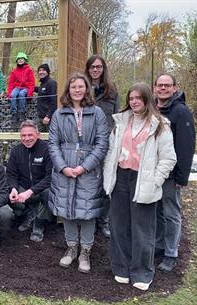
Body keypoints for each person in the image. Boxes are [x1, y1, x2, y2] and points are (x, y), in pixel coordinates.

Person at [103, 82, 176, 291]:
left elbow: (168, 158)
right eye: (131, 98)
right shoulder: (121, 122)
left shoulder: (160, 125)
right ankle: (121, 267)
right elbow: (111, 151)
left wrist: (155, 180)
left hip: (143, 179)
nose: (134, 102)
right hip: (121, 177)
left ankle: (142, 272)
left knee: (142, 228)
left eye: (138, 98)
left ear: (146, 99)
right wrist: (109, 174)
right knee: (119, 225)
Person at [48, 73, 109, 273]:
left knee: (88, 212)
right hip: (64, 168)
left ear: (86, 89)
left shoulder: (97, 113)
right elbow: (53, 144)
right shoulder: (59, 114)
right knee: (67, 210)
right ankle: (71, 248)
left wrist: (85, 166)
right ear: (68, 89)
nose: (77, 90)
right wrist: (63, 167)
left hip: (89, 170)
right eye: (73, 86)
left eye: (81, 86)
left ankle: (85, 251)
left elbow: (102, 144)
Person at [154, 73, 196, 272]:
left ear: (174, 88)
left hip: (171, 175)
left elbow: (186, 146)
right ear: (155, 88)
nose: (163, 88)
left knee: (171, 213)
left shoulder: (181, 112)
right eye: (160, 85)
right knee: (158, 211)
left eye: (167, 86)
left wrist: (182, 176)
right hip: (153, 172)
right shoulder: (153, 108)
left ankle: (171, 253)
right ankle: (159, 245)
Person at [84, 55, 120, 238]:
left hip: (106, 143)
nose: (95, 70)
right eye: (92, 67)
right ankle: (88, 217)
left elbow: (117, 118)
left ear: (103, 69)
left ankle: (103, 221)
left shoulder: (112, 91)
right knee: (89, 182)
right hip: (86, 144)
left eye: (98, 67)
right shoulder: (82, 89)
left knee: (107, 183)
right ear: (88, 69)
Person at [6, 120, 53, 242]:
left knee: (49, 193)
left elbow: (50, 177)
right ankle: (29, 213)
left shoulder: (47, 150)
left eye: (30, 135)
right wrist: (13, 188)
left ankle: (39, 223)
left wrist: (30, 191)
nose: (26, 139)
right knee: (6, 192)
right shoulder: (16, 151)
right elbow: (11, 174)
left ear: (38, 135)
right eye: (23, 135)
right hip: (24, 187)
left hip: (42, 188)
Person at [7, 52, 35, 122]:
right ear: (17, 61)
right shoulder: (14, 71)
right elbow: (11, 83)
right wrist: (9, 93)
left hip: (26, 87)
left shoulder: (29, 70)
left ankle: (21, 112)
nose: (20, 60)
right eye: (19, 59)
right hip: (17, 87)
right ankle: (14, 113)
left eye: (22, 59)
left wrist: (30, 93)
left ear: (25, 60)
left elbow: (32, 82)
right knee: (13, 95)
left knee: (21, 94)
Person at [34, 63, 57, 132]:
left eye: (43, 70)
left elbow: (54, 101)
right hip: (40, 117)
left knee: (51, 138)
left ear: (48, 72)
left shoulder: (51, 83)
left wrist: (48, 116)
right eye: (39, 70)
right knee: (40, 139)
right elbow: (40, 90)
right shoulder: (42, 84)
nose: (41, 72)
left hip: (49, 118)